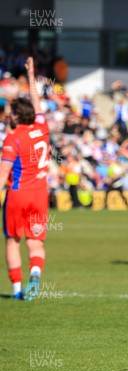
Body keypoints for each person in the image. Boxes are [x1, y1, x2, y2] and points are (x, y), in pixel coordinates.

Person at [0, 57, 49, 301]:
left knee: (12, 240)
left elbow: (3, 174)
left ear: (17, 117)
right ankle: (36, 272)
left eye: (10, 114)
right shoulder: (42, 127)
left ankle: (18, 290)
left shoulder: (12, 138)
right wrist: (31, 76)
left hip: (18, 195)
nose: (8, 117)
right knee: (35, 241)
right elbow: (37, 104)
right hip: (40, 195)